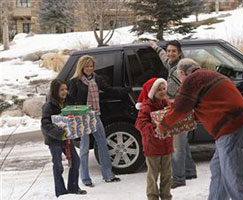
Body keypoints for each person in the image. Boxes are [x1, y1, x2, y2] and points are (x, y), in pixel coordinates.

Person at [158, 58, 243, 200]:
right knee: (218, 170)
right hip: (241, 124)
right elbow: (206, 107)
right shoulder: (209, 75)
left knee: (236, 179)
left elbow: (181, 108)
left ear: (181, 72)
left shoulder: (192, 80)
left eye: (178, 77)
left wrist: (163, 126)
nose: (180, 81)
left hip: (231, 128)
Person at [68, 55, 127, 186]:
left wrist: (125, 91)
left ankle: (108, 175)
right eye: (87, 66)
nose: (89, 68)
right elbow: (70, 100)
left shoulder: (97, 78)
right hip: (82, 117)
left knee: (102, 144)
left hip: (95, 115)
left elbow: (109, 90)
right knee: (83, 148)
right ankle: (85, 179)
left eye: (91, 66)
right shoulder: (75, 81)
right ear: (81, 67)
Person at [150, 40, 197, 188]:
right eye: (169, 50)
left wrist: (157, 95)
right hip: (180, 109)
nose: (170, 53)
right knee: (183, 142)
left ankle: (178, 178)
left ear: (179, 53)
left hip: (180, 110)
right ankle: (189, 171)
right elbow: (165, 58)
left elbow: (169, 91)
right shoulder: (172, 64)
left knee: (177, 145)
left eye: (173, 51)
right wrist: (156, 48)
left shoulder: (180, 69)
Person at [41, 79, 87, 197]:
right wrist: (58, 133)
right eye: (62, 89)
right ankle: (61, 192)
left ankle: (73, 188)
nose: (65, 92)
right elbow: (45, 124)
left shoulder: (68, 102)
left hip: (66, 138)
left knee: (75, 161)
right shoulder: (49, 105)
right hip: (54, 139)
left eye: (66, 89)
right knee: (58, 165)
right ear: (55, 91)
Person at [135, 78, 174, 200]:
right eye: (159, 89)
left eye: (164, 89)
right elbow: (140, 124)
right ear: (152, 91)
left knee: (167, 174)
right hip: (152, 146)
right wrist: (155, 128)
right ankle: (152, 196)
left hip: (167, 145)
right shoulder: (147, 106)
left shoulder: (167, 104)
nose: (162, 92)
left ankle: (166, 196)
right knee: (153, 174)